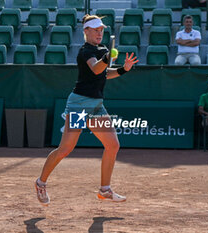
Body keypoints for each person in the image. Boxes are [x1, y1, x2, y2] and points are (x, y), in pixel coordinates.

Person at [34, 14, 139, 206]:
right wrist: (107, 58)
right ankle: (41, 183)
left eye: (102, 30)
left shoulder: (103, 49)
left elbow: (104, 74)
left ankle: (104, 190)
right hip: (80, 106)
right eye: (96, 30)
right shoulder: (85, 51)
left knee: (113, 145)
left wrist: (123, 69)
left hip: (96, 106)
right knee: (65, 149)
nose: (100, 33)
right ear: (86, 31)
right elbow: (96, 69)